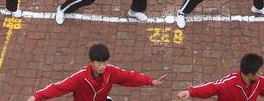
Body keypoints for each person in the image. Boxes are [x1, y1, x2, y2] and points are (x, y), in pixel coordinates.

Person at [27, 44, 163, 100]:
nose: (103, 66)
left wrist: (150, 81)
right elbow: (58, 88)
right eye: (99, 63)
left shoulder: (112, 72)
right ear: (91, 62)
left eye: (104, 62)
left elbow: (130, 77)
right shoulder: (79, 78)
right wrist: (36, 97)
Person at [174, 53, 264, 100]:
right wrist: (190, 92)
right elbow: (211, 88)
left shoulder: (260, 82)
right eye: (259, 72)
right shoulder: (228, 83)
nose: (261, 74)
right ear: (250, 75)